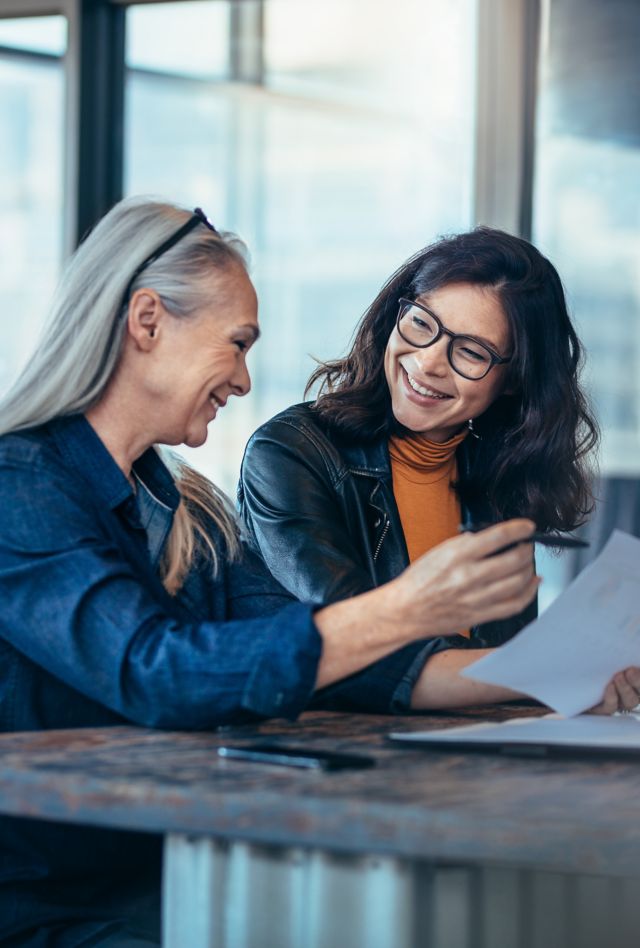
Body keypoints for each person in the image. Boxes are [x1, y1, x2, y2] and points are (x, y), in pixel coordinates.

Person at [0, 200, 545, 946]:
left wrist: (555, 671)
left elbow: (332, 661)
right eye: (237, 343)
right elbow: (153, 669)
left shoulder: (181, 503)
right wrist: (407, 608)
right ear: (148, 321)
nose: (246, 381)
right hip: (38, 908)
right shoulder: (17, 484)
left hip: (159, 878)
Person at [239, 226, 640, 712]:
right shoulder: (291, 452)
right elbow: (352, 647)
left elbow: (501, 669)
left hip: (462, 762)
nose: (428, 363)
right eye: (422, 323)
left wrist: (572, 689)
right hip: (335, 761)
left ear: (513, 381)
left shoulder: (497, 481)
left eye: (471, 351)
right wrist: (546, 674)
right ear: (397, 312)